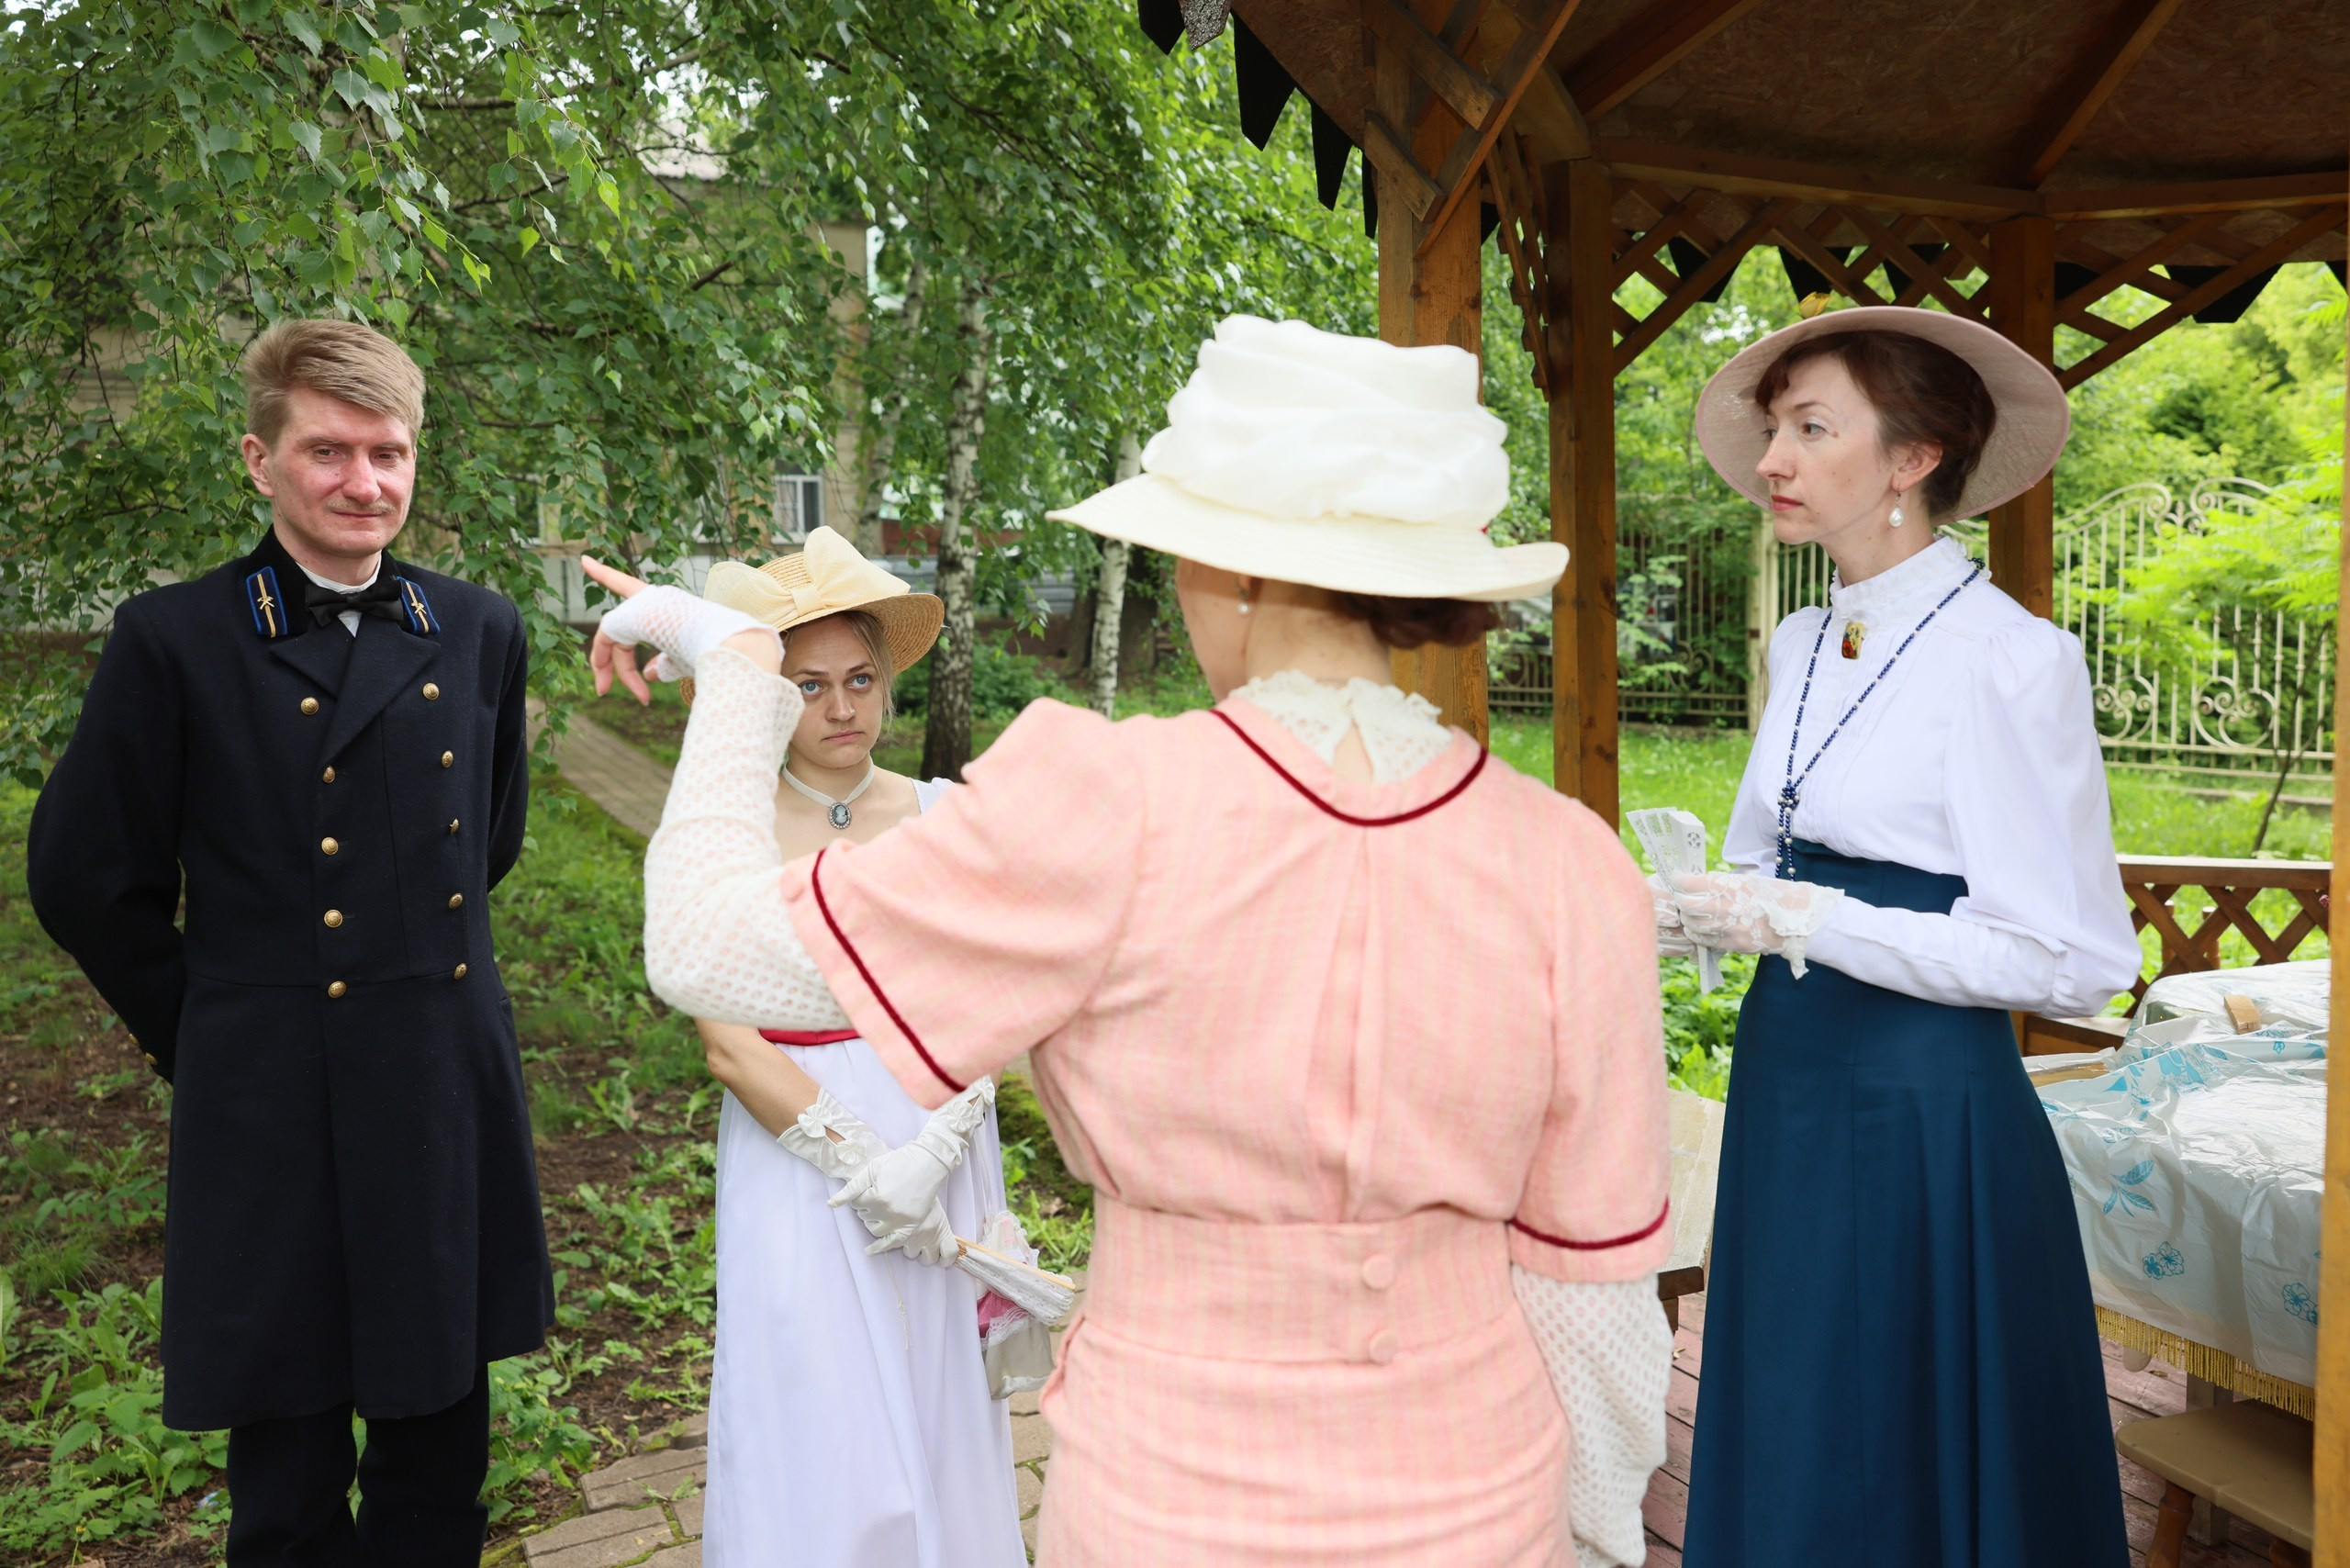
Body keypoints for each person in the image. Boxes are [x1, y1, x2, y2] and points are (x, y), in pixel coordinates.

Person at [588, 315, 1680, 1568]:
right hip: (1480, 1498)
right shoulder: (1574, 864)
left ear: (1231, 573)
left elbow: (705, 948)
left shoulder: (1104, 804)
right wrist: (1588, 1532)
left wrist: (735, 661)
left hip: (1176, 1500)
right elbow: (1595, 1289)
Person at [27, 319, 550, 1566]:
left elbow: (486, 844)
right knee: (289, 1464)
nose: (364, 482)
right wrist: (213, 1027)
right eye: (329, 451)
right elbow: (84, 878)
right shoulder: (176, 637)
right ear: (260, 461)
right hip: (267, 1094)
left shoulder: (479, 626)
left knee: (440, 1445)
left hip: (436, 1073)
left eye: (389, 452)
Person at [1661, 307, 2142, 1567]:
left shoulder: (2010, 659)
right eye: (1775, 429)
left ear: (1913, 458)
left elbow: (2078, 960)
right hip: (1787, 1076)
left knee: (1903, 1428)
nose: (1773, 460)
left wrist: (1816, 918)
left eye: (1812, 429)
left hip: (1923, 1105)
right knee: (1798, 1397)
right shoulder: (1802, 640)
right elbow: (1768, 858)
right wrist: (1697, 908)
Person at [639, 529, 1034, 1567]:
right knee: (817, 1398)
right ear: (770, 698)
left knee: (940, 1389)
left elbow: (996, 994)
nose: (842, 707)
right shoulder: (728, 828)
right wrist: (866, 1161)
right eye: (808, 686)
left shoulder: (945, 814)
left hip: (943, 1135)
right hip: (800, 1144)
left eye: (860, 678)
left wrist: (936, 1151)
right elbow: (728, 1044)